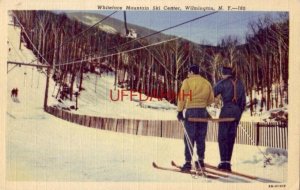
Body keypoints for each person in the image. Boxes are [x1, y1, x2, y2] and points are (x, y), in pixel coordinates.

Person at [177, 64, 214, 171]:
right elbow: (211, 99)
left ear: (192, 72)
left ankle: (188, 163)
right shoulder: (206, 82)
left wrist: (180, 111)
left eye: (189, 72)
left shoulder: (187, 82)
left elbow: (182, 97)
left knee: (189, 137)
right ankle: (201, 161)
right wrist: (203, 104)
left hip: (191, 112)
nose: (188, 74)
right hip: (203, 112)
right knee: (201, 138)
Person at [213, 66, 246, 171]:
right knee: (231, 138)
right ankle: (228, 162)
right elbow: (243, 103)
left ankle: (223, 162)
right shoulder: (240, 84)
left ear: (224, 74)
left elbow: (212, 93)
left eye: (222, 74)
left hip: (226, 112)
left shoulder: (222, 83)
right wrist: (238, 116)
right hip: (236, 113)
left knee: (222, 137)